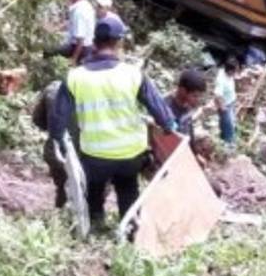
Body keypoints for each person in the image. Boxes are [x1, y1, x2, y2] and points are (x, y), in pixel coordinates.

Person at [49, 18, 176, 228]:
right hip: (131, 154)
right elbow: (161, 113)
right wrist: (170, 125)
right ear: (118, 43)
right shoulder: (133, 74)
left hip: (95, 155)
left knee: (95, 188)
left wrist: (59, 143)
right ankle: (130, 228)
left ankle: (97, 222)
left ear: (95, 42)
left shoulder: (74, 78)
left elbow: (57, 121)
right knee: (128, 188)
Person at [31, 79, 69, 208]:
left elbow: (37, 119)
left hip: (57, 152)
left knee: (62, 187)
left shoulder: (54, 88)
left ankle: (61, 215)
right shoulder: (104, 90)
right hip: (93, 154)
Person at [166, 68, 208, 156]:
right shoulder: (166, 109)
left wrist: (195, 154)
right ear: (182, 90)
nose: (198, 100)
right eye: (195, 96)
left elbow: (190, 129)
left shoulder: (187, 105)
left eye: (199, 97)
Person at [65, 0, 96, 64]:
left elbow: (80, 39)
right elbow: (70, 23)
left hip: (80, 48)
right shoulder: (84, 5)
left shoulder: (79, 11)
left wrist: (73, 59)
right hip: (85, 46)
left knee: (47, 50)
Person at [213, 56, 239, 147]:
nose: (236, 72)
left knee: (229, 123)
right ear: (230, 71)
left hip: (231, 102)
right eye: (235, 70)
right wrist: (222, 106)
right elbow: (217, 94)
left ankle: (225, 139)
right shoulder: (221, 80)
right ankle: (229, 144)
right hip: (226, 106)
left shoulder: (228, 74)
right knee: (229, 125)